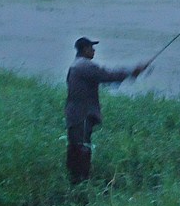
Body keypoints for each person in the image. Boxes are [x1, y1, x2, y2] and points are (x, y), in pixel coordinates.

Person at [64, 37, 150, 184]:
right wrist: (132, 72)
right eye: (91, 48)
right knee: (82, 149)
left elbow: (104, 77)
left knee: (75, 148)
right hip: (81, 115)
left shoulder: (76, 65)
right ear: (85, 50)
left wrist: (130, 73)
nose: (94, 50)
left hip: (75, 114)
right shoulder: (85, 66)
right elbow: (107, 75)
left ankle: (74, 180)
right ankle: (81, 183)